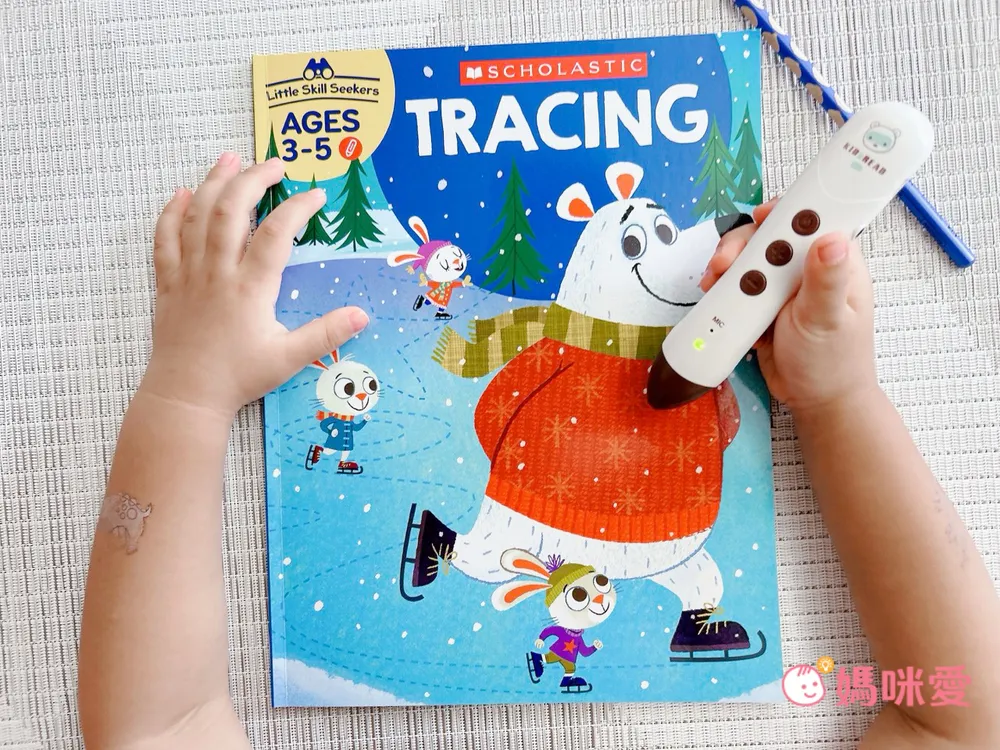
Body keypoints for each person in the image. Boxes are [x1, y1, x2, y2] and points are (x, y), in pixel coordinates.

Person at [78, 155, 1000, 749]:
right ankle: (606, 588)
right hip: (600, 515)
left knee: (527, 553)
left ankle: (464, 550)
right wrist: (840, 401)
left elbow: (156, 726)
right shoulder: (567, 345)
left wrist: (187, 394)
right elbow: (959, 714)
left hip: (608, 516)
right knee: (670, 573)